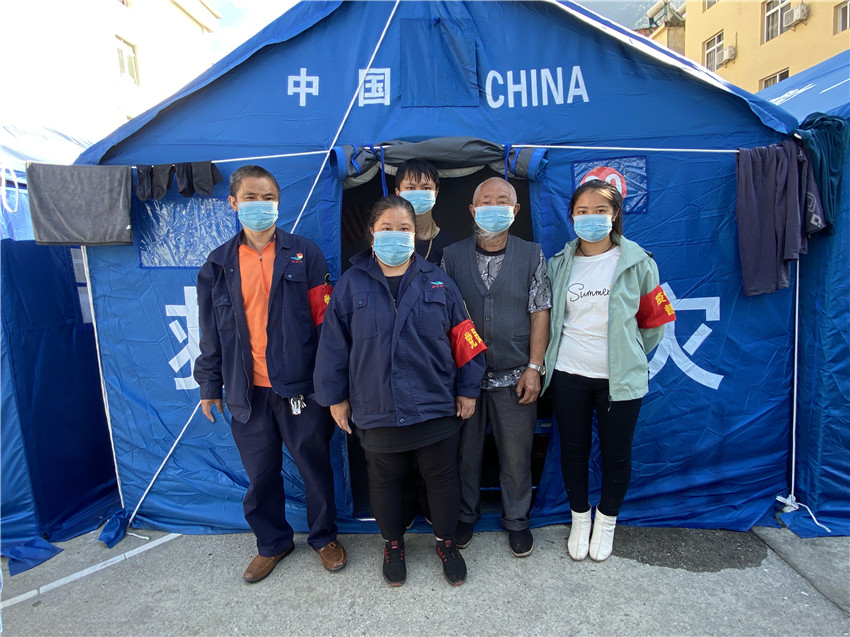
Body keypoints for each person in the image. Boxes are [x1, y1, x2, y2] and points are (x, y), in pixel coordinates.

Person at [314, 194, 486, 587]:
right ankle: (393, 544)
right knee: (385, 480)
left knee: (442, 478)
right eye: (387, 228)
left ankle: (446, 543)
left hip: (435, 403)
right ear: (371, 233)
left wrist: (468, 388)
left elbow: (465, 337)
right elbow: (332, 346)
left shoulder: (438, 280)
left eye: (404, 228)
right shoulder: (349, 284)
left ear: (415, 234)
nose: (395, 235)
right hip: (375, 405)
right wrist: (335, 398)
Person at [194, 165, 346, 583]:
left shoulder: (305, 254)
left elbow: (326, 326)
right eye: (250, 198)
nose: (259, 205)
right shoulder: (218, 264)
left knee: (314, 468)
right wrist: (209, 385)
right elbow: (210, 332)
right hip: (247, 391)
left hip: (301, 389)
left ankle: (324, 537)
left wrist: (330, 385)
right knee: (260, 475)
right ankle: (272, 542)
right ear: (233, 203)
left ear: (279, 203)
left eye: (268, 198)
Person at [542, 179, 676, 562]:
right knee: (573, 451)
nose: (591, 218)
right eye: (582, 211)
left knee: (617, 455)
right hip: (569, 374)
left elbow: (655, 323)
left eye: (600, 210)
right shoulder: (558, 264)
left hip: (619, 379)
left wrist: (628, 353)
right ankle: (579, 518)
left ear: (614, 215)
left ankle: (606, 522)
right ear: (572, 216)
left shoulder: (639, 262)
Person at [442, 177, 552, 558]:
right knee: (464, 453)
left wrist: (535, 367)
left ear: (515, 210)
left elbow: (540, 312)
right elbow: (443, 316)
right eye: (485, 202)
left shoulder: (532, 254)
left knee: (517, 455)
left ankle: (517, 520)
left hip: (516, 375)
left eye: (502, 201)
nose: (494, 207)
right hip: (466, 380)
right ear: (472, 211)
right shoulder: (452, 256)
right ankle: (465, 515)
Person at [394, 158, 457, 264]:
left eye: (426, 188)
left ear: (436, 193)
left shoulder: (450, 246)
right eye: (411, 188)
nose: (418, 193)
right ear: (398, 193)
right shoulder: (389, 242)